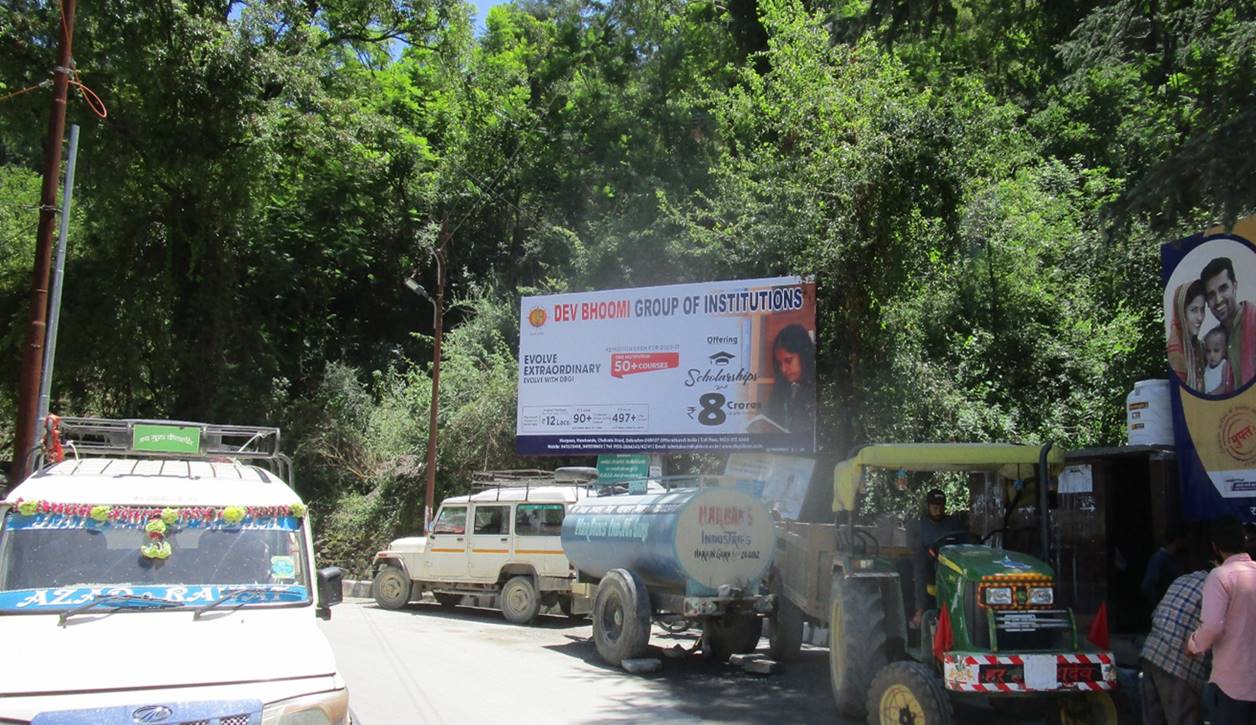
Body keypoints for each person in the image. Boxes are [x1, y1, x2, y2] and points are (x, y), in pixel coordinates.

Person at [1186, 516, 1256, 724]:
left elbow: (1212, 627)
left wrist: (1193, 645)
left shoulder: (1220, 576)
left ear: (1215, 547)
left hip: (1231, 685)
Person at [1140, 568, 1209, 725]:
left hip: (1151, 651)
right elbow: (1214, 628)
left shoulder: (1183, 579)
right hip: (1177, 663)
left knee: (1153, 719)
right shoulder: (1219, 587)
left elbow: (1156, 613)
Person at [908, 488, 967, 627]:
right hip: (929, 561)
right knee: (920, 563)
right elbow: (915, 546)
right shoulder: (920, 525)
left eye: (941, 507)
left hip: (951, 559)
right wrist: (929, 552)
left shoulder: (954, 523)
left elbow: (964, 541)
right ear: (928, 507)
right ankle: (920, 610)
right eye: (935, 507)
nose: (938, 510)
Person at [1201, 257, 1256, 388]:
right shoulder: (1210, 342)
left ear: (1235, 286)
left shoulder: (1253, 322)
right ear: (1207, 302)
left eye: (1223, 288)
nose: (1218, 299)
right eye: (1211, 294)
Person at [765, 324, 817, 441]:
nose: (783, 369)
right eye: (780, 364)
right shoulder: (781, 386)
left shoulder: (820, 385)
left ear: (804, 355)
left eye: (788, 361)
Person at [1169, 280, 1208, 390]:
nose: (1200, 317)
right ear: (1181, 312)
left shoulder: (1201, 348)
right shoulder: (1175, 354)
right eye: (1194, 310)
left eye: (1202, 310)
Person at [1142, 528, 1189, 606]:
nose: (1186, 544)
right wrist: (1159, 604)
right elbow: (1147, 586)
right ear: (1178, 541)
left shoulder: (1174, 559)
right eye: (1184, 541)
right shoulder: (1158, 559)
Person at [1203, 326, 1235, 395]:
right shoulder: (1206, 367)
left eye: (1216, 350)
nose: (1212, 355)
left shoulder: (1224, 365)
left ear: (1224, 351)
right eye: (1208, 351)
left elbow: (1223, 386)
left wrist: (1210, 394)